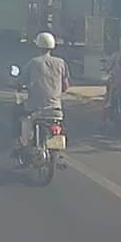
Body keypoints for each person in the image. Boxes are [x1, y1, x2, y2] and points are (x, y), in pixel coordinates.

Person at [15, 31, 70, 160]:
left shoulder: (34, 62)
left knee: (18, 115)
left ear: (38, 46)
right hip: (56, 109)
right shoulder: (61, 63)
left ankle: (23, 145)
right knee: (59, 125)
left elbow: (21, 81)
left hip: (35, 108)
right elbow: (66, 86)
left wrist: (16, 85)